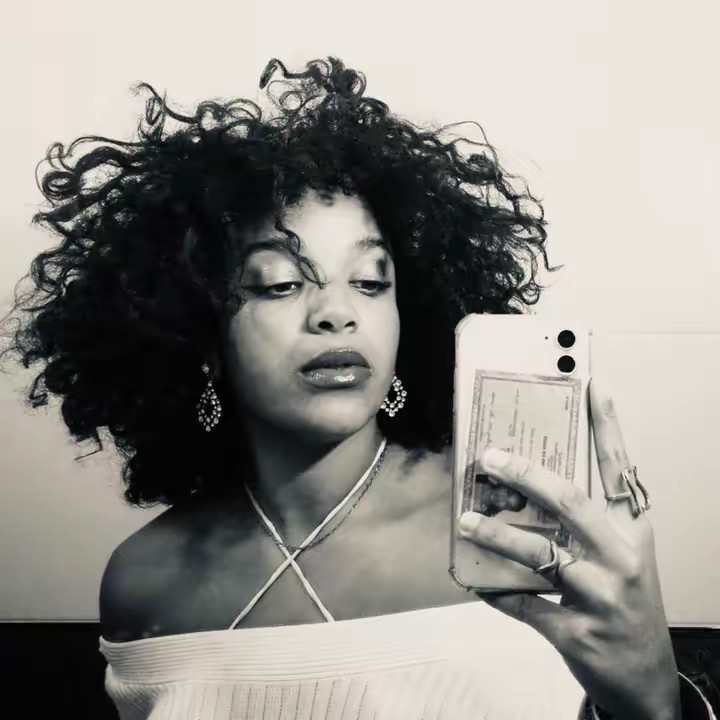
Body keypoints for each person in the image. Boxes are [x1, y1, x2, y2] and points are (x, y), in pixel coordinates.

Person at [1, 57, 715, 719]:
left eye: (371, 281)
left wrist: (654, 700)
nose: (337, 312)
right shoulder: (143, 582)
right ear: (201, 333)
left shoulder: (515, 536)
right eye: (280, 283)